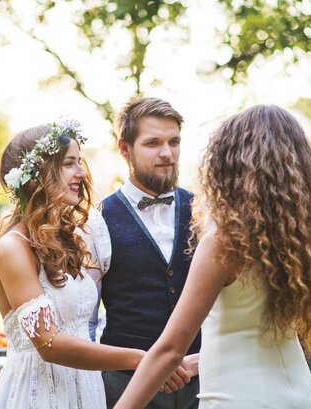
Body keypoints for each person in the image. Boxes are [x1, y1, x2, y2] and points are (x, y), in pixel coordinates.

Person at [113, 104, 311, 409]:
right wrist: (202, 360)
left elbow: (170, 349)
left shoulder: (226, 241)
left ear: (231, 163)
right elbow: (257, 331)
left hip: (239, 397)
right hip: (298, 393)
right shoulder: (302, 235)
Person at [0, 120, 189, 409]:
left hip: (85, 391)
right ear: (36, 176)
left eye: (79, 162)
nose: (81, 172)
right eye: (69, 163)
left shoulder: (66, 239)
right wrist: (142, 359)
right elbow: (49, 344)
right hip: (40, 394)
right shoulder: (13, 248)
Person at [83, 97, 200, 409]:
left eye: (174, 142)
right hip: (126, 387)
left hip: (201, 386)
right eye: (153, 143)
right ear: (125, 149)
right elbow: (86, 321)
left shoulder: (205, 211)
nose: (167, 153)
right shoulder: (96, 220)